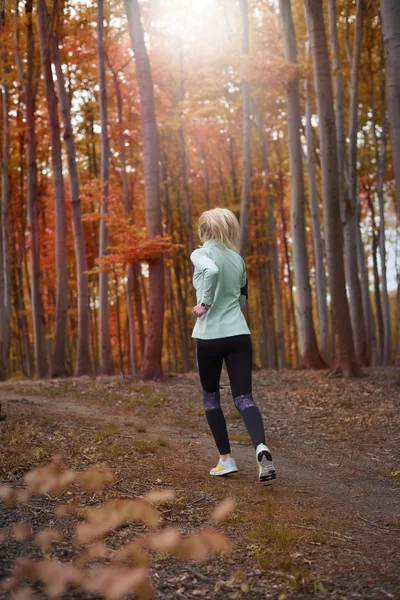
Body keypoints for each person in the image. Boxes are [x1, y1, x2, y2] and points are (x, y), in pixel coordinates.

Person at [191, 207, 277, 485]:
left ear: (204, 230)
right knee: (243, 398)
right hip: (239, 334)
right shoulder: (237, 259)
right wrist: (230, 310)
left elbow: (211, 272)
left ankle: (226, 461)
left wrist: (204, 304)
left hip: (209, 337)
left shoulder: (200, 253)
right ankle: (261, 447)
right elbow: (242, 296)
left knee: (211, 399)